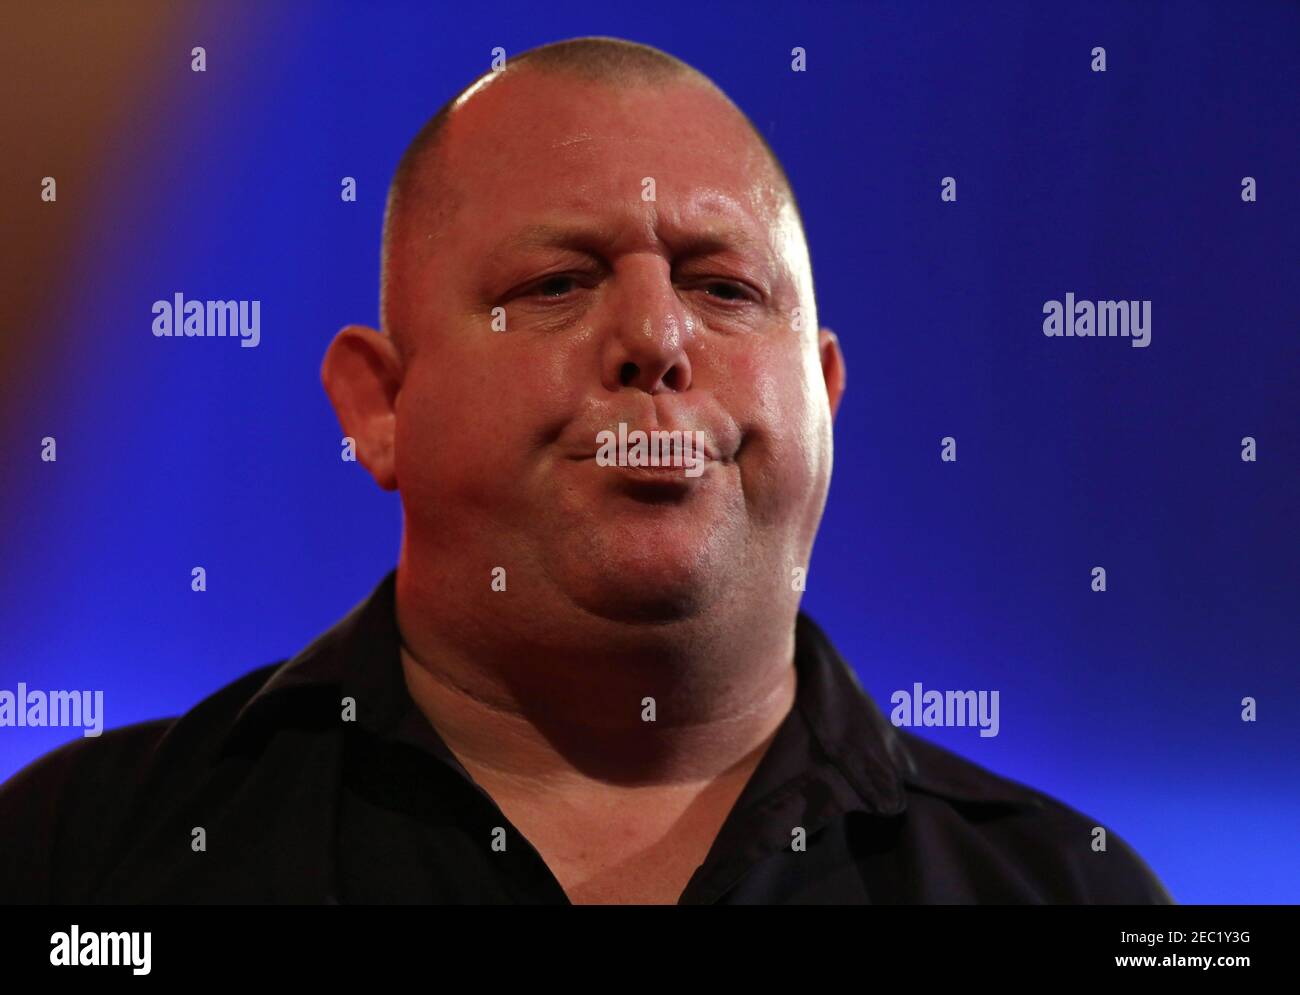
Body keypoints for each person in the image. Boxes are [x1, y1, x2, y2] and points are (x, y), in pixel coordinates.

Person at [0, 36, 1171, 904]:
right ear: (381, 405)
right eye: (555, 283)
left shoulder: (1072, 892)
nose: (658, 340)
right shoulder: (77, 860)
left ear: (821, 395)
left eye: (722, 287)